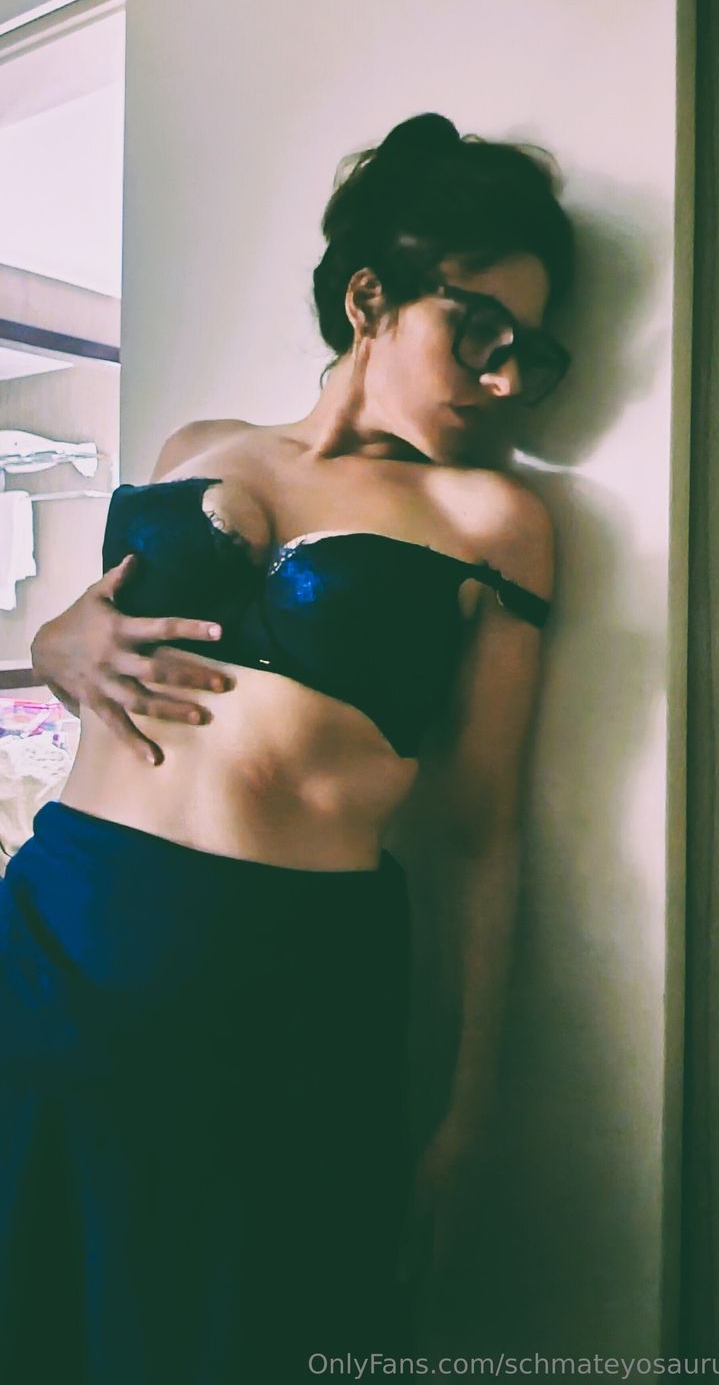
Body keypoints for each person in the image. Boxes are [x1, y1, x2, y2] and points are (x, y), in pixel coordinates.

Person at [0, 112, 573, 1383]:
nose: (500, 380)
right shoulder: (192, 449)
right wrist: (51, 641)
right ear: (371, 298)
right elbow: (93, 642)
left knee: (243, 1331)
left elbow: (482, 833)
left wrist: (463, 1117)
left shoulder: (495, 519)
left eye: (529, 358)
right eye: (482, 331)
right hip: (58, 934)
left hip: (278, 987)